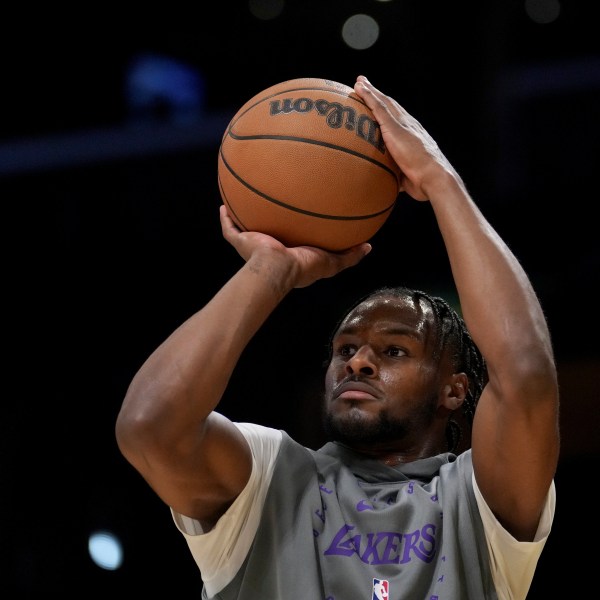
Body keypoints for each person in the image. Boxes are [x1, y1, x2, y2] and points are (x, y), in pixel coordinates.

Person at [115, 75, 560, 599]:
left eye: (394, 350)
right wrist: (270, 270)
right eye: (345, 349)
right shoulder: (269, 478)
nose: (358, 363)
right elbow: (149, 426)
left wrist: (440, 180)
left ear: (455, 390)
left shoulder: (479, 500)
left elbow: (526, 377)